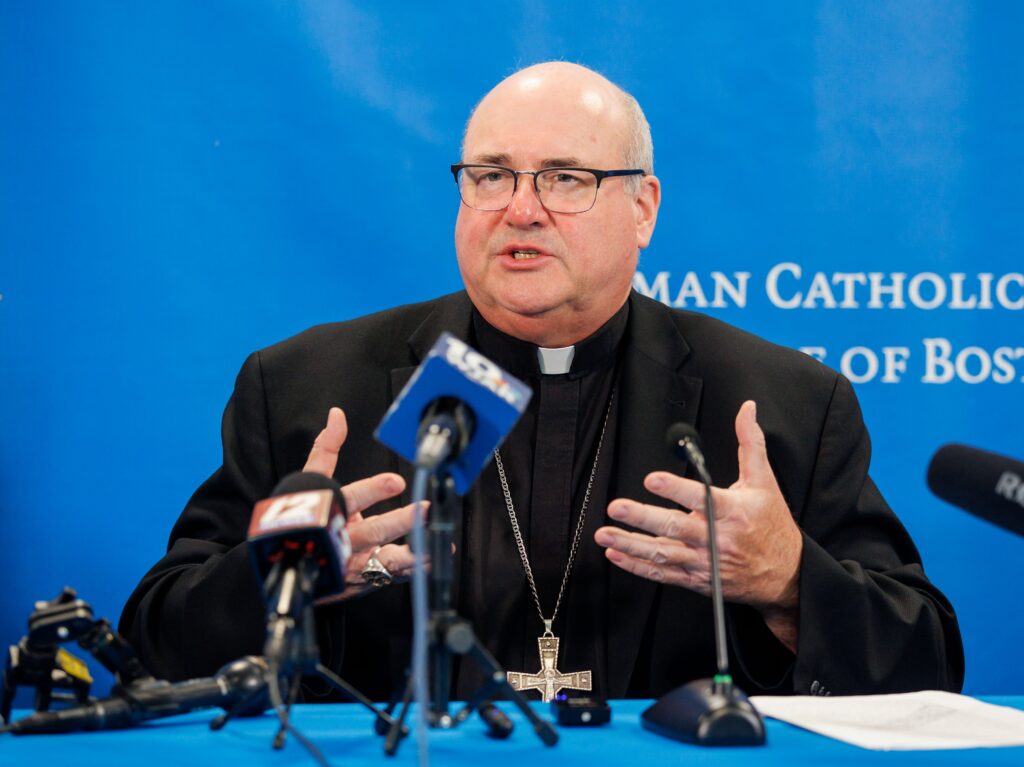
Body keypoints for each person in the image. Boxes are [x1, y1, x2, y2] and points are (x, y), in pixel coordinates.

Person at [120, 62, 964, 701]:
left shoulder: (780, 403)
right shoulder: (310, 388)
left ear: (644, 209)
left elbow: (929, 659)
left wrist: (786, 578)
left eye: (565, 178)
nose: (520, 208)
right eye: (490, 175)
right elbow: (154, 640)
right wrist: (283, 575)